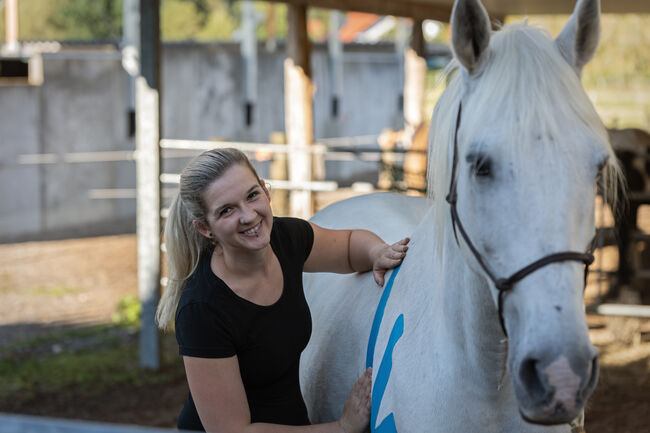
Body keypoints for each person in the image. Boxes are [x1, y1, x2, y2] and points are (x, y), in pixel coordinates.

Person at [156, 148, 410, 433]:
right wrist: (341, 428)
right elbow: (234, 431)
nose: (249, 215)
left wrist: (378, 252)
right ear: (205, 228)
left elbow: (349, 246)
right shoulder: (202, 310)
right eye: (227, 210)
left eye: (252, 195)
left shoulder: (284, 239)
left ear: (266, 191)